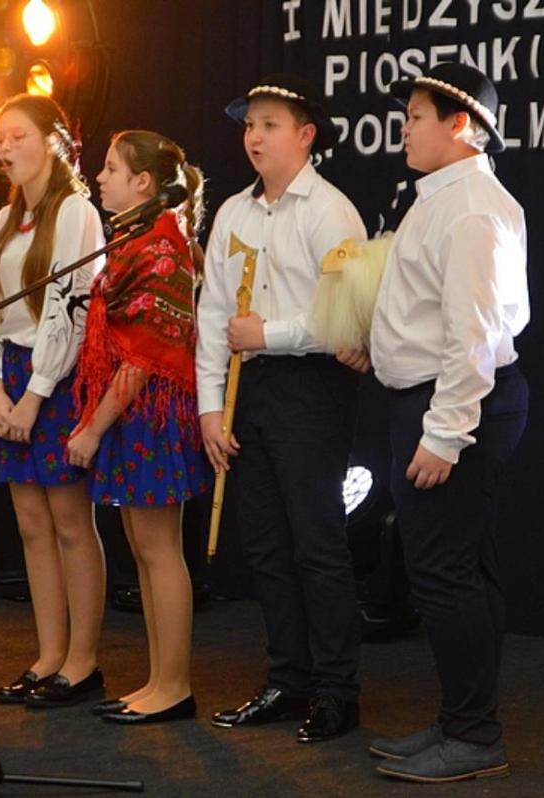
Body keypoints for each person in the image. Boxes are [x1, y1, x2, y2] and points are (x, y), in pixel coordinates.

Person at [368, 62, 530, 783]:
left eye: (415, 117)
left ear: (459, 124)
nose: (404, 130)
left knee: (444, 575)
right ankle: (462, 720)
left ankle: (473, 736)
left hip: (455, 404)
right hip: (440, 400)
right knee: (459, 570)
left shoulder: (470, 209)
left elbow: (474, 335)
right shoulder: (444, 196)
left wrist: (444, 434)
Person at [197, 73, 369, 743]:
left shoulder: (331, 211)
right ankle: (287, 678)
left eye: (270, 125)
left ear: (305, 136)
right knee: (266, 546)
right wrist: (210, 409)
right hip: (249, 387)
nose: (255, 137)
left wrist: (266, 334)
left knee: (316, 544)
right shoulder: (233, 213)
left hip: (311, 387)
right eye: (249, 125)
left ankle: (336, 690)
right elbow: (213, 313)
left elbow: (343, 319)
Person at [67, 129, 211, 725]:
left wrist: (93, 428)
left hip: (152, 415)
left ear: (143, 182)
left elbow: (145, 357)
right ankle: (157, 679)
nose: (100, 178)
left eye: (110, 168)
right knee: (143, 549)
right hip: (134, 414)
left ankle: (174, 685)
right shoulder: (135, 239)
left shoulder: (162, 247)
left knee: (159, 550)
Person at [0, 94, 107, 709]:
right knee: (31, 524)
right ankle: (49, 653)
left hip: (55, 378)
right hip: (11, 375)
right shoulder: (7, 219)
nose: (4, 147)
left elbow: (68, 310)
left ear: (53, 142)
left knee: (69, 522)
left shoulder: (75, 210)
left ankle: (83, 661)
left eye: (17, 136)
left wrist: (33, 394)